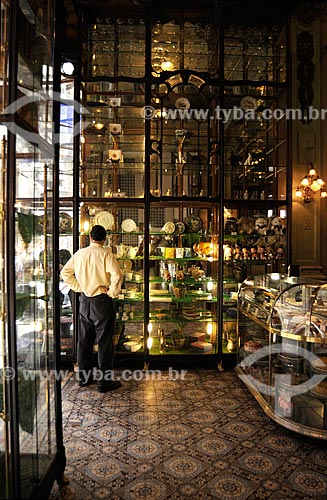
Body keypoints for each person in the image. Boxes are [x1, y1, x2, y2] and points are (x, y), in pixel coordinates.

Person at [60, 225, 124, 393]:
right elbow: (117, 275)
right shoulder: (106, 254)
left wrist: (79, 287)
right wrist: (112, 292)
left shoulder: (80, 254)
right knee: (104, 342)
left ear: (90, 237)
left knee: (84, 341)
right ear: (105, 238)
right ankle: (104, 382)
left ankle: (84, 378)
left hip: (85, 301)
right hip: (101, 301)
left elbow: (65, 273)